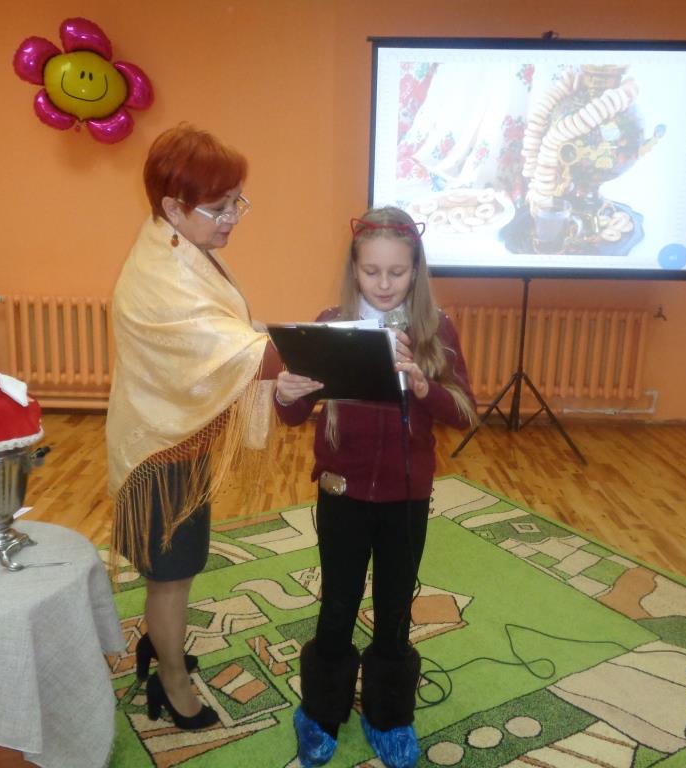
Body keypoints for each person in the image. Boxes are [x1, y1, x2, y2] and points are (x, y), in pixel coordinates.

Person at [274, 206, 476, 768]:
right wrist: (286, 394)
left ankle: (388, 715)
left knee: (394, 611)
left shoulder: (436, 330)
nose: (384, 284)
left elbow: (464, 412)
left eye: (397, 272)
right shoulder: (331, 324)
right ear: (353, 269)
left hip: (406, 499)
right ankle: (320, 712)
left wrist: (423, 386)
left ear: (417, 270)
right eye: (371, 271)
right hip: (342, 494)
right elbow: (293, 415)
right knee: (337, 606)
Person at [106, 124, 278, 731]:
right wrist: (330, 352)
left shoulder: (176, 243)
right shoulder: (164, 277)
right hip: (161, 449)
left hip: (181, 437)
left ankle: (161, 646)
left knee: (180, 565)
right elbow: (233, 353)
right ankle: (170, 680)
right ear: (174, 207)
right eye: (219, 206)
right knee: (171, 577)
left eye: (237, 201)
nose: (233, 218)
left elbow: (230, 340)